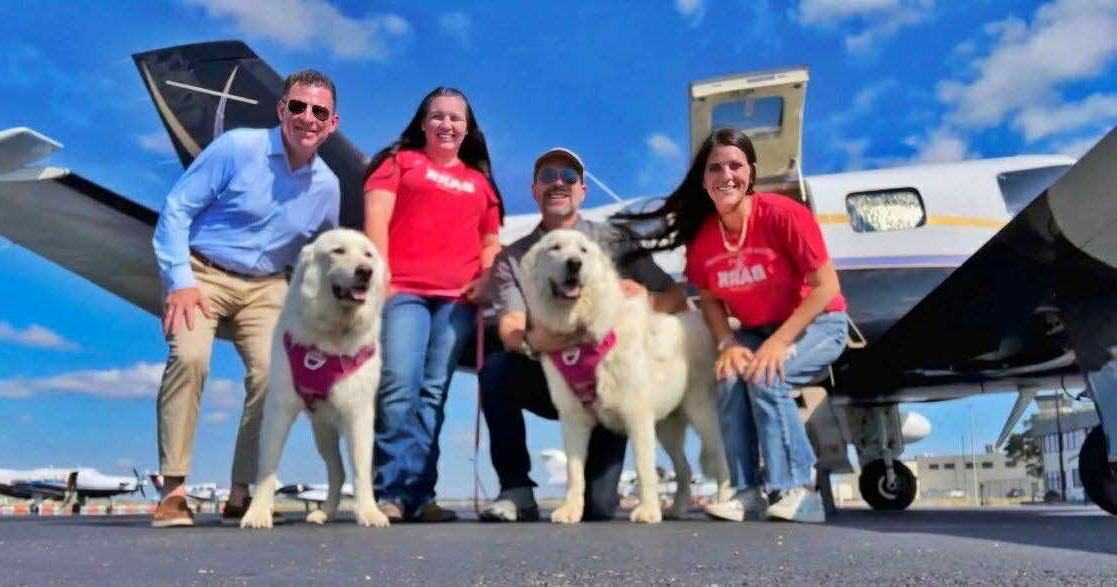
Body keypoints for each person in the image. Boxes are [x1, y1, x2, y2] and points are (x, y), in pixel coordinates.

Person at [615, 128, 848, 523]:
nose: (726, 175)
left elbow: (827, 288)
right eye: (715, 168)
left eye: (736, 165)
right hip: (756, 331)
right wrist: (726, 342)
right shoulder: (704, 240)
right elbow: (707, 298)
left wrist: (778, 343)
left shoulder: (784, 214)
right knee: (728, 378)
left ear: (751, 173)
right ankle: (746, 492)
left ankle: (798, 490)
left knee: (767, 376)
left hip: (818, 323)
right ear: (704, 180)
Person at [150, 70, 342, 527]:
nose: (307, 118)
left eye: (319, 111)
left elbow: (320, 258)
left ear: (332, 124)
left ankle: (241, 490)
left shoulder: (328, 187)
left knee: (274, 376)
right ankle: (174, 490)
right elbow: (177, 210)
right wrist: (180, 280)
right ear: (282, 110)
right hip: (202, 273)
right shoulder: (238, 148)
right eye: (298, 106)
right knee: (191, 358)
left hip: (267, 286)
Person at [478, 147, 688, 522]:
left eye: (569, 177)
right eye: (548, 177)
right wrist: (532, 340)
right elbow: (511, 328)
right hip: (552, 376)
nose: (559, 183)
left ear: (583, 191)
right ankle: (516, 490)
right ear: (534, 190)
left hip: (612, 384)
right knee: (496, 370)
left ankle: (602, 489)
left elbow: (676, 298)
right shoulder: (513, 258)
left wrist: (646, 297)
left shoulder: (615, 240)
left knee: (600, 508)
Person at [362, 87, 503, 522]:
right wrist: (380, 281)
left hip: (456, 300)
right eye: (437, 116)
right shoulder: (398, 163)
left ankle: (421, 495)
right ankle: (388, 491)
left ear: (468, 128)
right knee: (399, 384)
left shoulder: (480, 183)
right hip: (402, 291)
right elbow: (377, 222)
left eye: (455, 118)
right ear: (422, 122)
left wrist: (486, 279)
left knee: (433, 392)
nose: (446, 124)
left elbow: (490, 241)